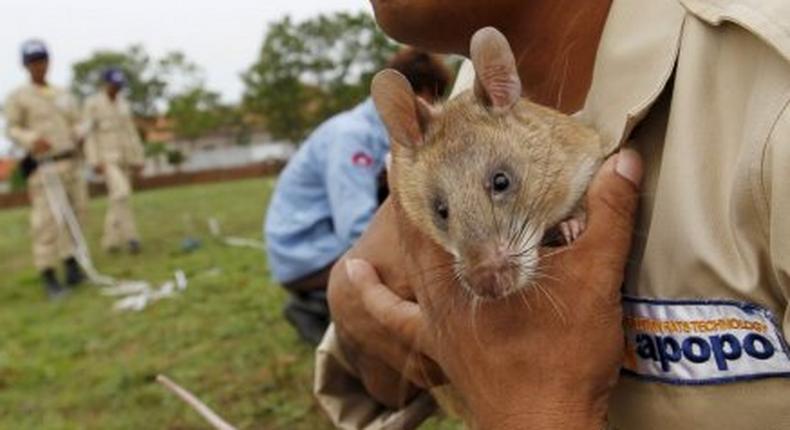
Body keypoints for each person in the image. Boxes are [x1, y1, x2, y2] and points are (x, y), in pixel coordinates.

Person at [316, 1, 790, 429]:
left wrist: (537, 410)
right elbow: (367, 380)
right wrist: (352, 294)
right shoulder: (451, 126)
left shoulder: (771, 96)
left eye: (501, 185)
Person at [264, 49, 451, 345]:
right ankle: (319, 310)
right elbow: (354, 227)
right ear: (423, 96)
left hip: (324, 242)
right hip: (306, 253)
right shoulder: (353, 136)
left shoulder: (382, 133)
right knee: (415, 271)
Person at [4, 40, 88, 299]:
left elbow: (78, 122)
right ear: (26, 66)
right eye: (33, 62)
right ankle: (48, 275)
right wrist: (31, 139)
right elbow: (11, 128)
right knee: (47, 222)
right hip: (44, 167)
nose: (39, 66)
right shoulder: (19, 97)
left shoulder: (63, 94)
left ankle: (72, 264)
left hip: (70, 162)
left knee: (76, 215)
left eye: (42, 60)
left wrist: (79, 133)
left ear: (49, 61)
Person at [83, 67, 145, 254]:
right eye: (113, 85)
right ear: (105, 84)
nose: (116, 89)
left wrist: (138, 157)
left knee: (117, 199)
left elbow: (131, 133)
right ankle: (132, 237)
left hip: (125, 158)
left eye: (119, 86)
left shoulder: (123, 104)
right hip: (107, 159)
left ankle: (110, 242)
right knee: (122, 192)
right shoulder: (92, 104)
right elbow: (89, 134)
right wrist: (94, 161)